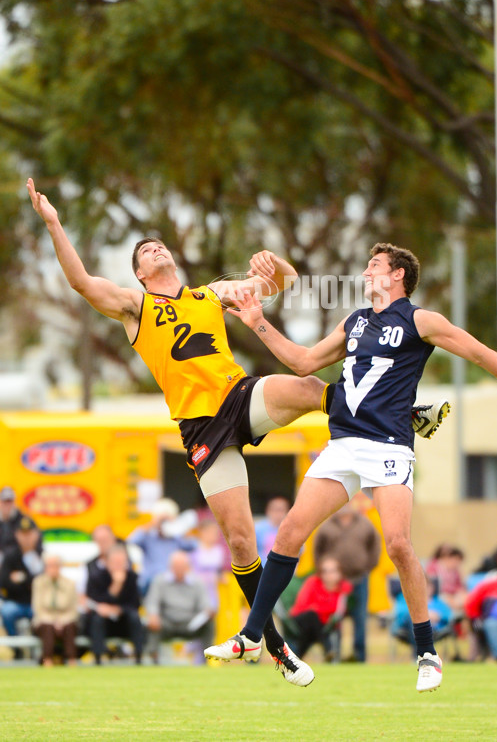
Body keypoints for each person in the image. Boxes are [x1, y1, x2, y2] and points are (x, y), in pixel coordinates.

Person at [28, 179, 448, 687]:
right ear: (141, 273)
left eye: (158, 244)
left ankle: (400, 416)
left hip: (238, 398)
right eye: (145, 251)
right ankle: (276, 647)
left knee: (305, 385)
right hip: (200, 428)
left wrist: (278, 264)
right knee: (243, 542)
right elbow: (80, 282)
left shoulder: (212, 294)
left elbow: (283, 284)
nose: (155, 248)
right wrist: (53, 222)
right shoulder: (134, 307)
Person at [205, 241, 497, 692]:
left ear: (398, 275)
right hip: (343, 443)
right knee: (288, 535)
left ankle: (427, 653)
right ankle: (250, 637)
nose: (365, 272)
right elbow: (303, 362)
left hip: (388, 447)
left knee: (398, 544)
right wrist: (257, 321)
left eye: (374, 265)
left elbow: (481, 354)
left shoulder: (422, 320)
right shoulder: (355, 322)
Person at [313, 501, 381, 662]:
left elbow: (375, 546)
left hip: (359, 579)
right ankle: (334, 655)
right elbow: (317, 551)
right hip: (334, 584)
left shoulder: (365, 523)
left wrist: (366, 567)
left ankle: (359, 657)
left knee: (360, 619)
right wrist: (325, 573)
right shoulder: (327, 526)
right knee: (334, 618)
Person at [144, 550, 213, 664]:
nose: (179, 569)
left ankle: (208, 659)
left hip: (190, 624)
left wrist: (208, 611)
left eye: (182, 566)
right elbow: (152, 602)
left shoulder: (197, 583)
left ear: (188, 567)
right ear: (170, 567)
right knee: (152, 623)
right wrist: (153, 615)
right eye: (176, 566)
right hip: (166, 623)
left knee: (209, 624)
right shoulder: (160, 581)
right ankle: (153, 658)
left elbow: (205, 604)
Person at [84, 544, 145, 665]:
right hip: (103, 622)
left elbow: (135, 604)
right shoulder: (96, 577)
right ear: (107, 562)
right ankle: (98, 657)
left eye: (121, 562)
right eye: (115, 562)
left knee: (135, 617)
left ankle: (139, 656)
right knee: (97, 619)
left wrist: (117, 609)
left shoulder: (132, 577)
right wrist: (114, 588)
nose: (119, 566)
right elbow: (94, 601)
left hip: (124, 621)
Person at [285, 557, 352, 659]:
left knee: (312, 628)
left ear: (340, 573)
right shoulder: (312, 582)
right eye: (325, 571)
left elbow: (339, 611)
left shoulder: (343, 589)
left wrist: (317, 608)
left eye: (333, 571)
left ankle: (298, 657)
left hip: (323, 624)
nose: (329, 575)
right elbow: (302, 606)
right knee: (312, 616)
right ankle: (327, 648)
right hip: (301, 619)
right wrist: (320, 609)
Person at [127, 498, 197, 596]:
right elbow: (131, 541)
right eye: (162, 521)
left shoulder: (176, 539)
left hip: (172, 583)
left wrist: (177, 526)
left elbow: (194, 545)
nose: (164, 523)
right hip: (150, 582)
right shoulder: (148, 538)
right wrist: (153, 523)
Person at [31, 553, 79, 667]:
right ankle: (47, 660)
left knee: (70, 627)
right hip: (45, 619)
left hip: (65, 619)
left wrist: (61, 621)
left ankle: (72, 660)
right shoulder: (39, 582)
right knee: (47, 627)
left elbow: (73, 609)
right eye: (49, 565)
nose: (53, 568)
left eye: (55, 565)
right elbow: (38, 608)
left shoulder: (69, 583)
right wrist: (53, 621)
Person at [0, 516, 44, 638]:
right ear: (17, 535)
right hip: (15, 601)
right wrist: (29, 582)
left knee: (46, 616)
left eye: (29, 533)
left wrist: (21, 578)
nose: (26, 537)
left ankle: (40, 649)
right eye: (23, 534)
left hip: (37, 603)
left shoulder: (42, 554)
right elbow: (4, 582)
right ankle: (17, 647)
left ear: (36, 535)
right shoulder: (10, 555)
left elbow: (42, 583)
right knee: (7, 611)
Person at [392, 575, 453, 656]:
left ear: (432, 588)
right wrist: (425, 614)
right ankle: (419, 655)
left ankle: (424, 654)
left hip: (434, 630)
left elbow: (448, 615)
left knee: (426, 622)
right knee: (414, 619)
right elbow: (400, 613)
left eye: (427, 587)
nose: (424, 590)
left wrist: (438, 616)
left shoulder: (438, 602)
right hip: (408, 628)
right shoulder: (404, 598)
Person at [0, 487, 41, 565]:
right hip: (3, 557)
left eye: (9, 502)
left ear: (14, 503)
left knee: (33, 560)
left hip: (22, 556)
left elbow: (37, 540)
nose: (7, 505)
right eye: (4, 502)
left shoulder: (24, 520)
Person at [425, 544, 467, 613]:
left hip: (454, 595)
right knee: (446, 599)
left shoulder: (455, 571)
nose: (456, 563)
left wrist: (461, 592)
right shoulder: (434, 567)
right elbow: (433, 585)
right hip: (440, 594)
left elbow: (460, 585)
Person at [255, 496, 291, 564]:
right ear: (268, 511)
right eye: (275, 510)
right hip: (262, 570)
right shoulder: (258, 528)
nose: (278, 514)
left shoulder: (291, 530)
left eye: (281, 510)